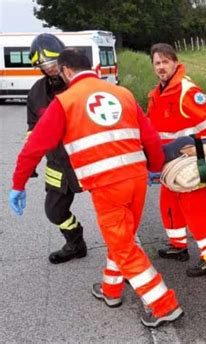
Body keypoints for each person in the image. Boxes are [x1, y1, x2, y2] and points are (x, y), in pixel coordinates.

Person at [8, 48, 183, 327]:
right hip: (137, 178)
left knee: (123, 246)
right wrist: (155, 168)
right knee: (122, 239)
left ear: (66, 71)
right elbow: (149, 136)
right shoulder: (123, 93)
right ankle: (111, 290)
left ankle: (163, 305)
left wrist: (18, 184)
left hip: (107, 185)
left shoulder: (65, 101)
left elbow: (34, 147)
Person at [147, 43, 206, 277]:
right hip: (169, 163)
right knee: (169, 205)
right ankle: (179, 247)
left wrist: (193, 150)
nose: (161, 67)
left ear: (175, 62)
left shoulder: (186, 91)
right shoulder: (158, 93)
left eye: (165, 62)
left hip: (188, 162)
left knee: (195, 209)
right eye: (157, 63)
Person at [27, 33, 87, 264]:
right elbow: (33, 131)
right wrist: (31, 162)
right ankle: (75, 243)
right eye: (42, 65)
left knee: (111, 213)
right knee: (54, 211)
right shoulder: (36, 93)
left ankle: (124, 257)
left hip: (89, 159)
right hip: (58, 161)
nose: (49, 68)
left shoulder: (82, 86)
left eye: (52, 62)